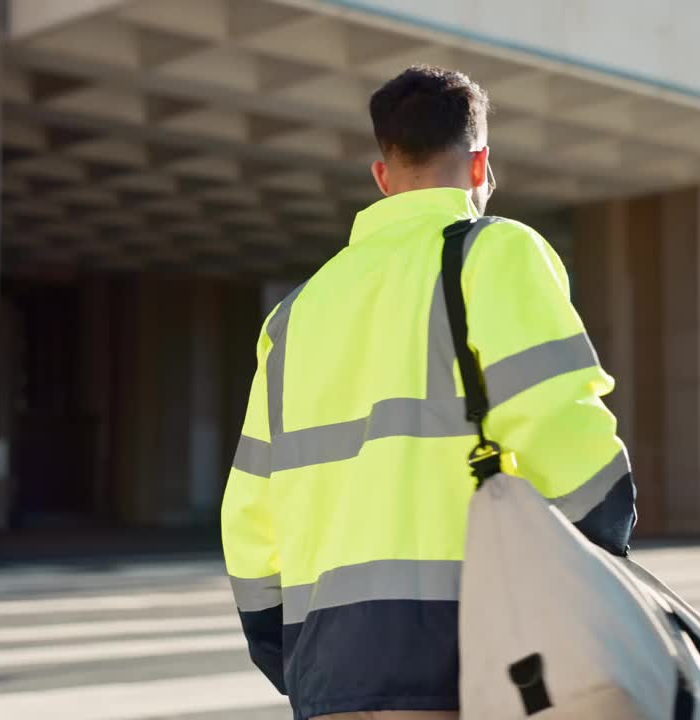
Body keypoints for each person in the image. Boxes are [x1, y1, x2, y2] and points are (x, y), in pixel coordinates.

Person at [221, 65, 636, 720]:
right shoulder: (493, 253)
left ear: (382, 178)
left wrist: (293, 655)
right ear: (482, 166)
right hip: (468, 657)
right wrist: (604, 559)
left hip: (328, 673)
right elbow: (558, 425)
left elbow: (249, 510)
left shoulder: (295, 313)